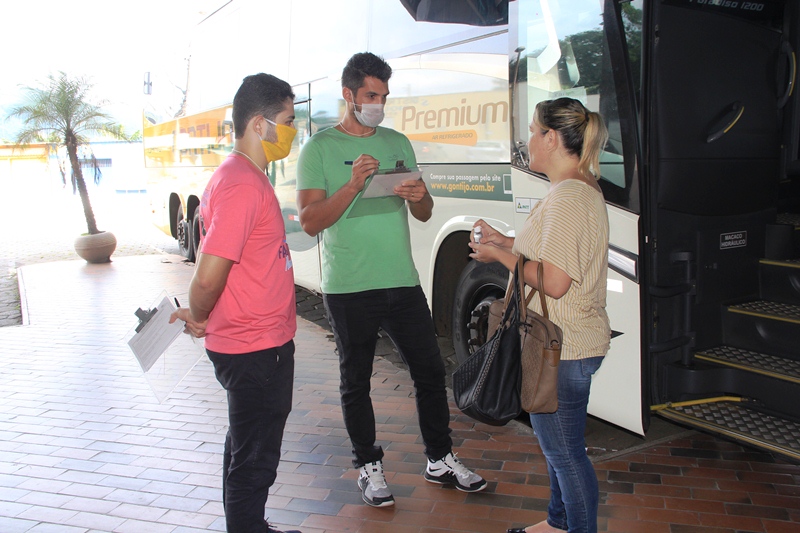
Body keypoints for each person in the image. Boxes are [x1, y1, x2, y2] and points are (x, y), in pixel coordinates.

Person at [296, 52, 486, 508]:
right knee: (355, 380)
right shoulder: (319, 148)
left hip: (401, 281)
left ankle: (439, 458)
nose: (379, 104)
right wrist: (352, 184)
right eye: (371, 95)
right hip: (349, 286)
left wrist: (421, 196)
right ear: (348, 95)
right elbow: (308, 221)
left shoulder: (397, 142)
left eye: (383, 96)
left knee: (429, 371)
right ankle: (368, 465)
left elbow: (424, 212)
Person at [469, 97, 610, 533]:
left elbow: (554, 281)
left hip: (562, 348)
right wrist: (507, 240)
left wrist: (496, 255)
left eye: (532, 130)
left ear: (551, 138)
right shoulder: (575, 188)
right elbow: (551, 250)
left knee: (565, 454)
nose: (527, 138)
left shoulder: (568, 197)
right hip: (567, 342)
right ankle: (557, 523)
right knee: (559, 450)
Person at [170, 73, 302, 533]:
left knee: (244, 446)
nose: (293, 131)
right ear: (260, 124)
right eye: (288, 121)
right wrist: (199, 314)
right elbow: (209, 272)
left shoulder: (238, 176)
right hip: (255, 349)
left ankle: (250, 526)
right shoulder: (244, 183)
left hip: (254, 344)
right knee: (255, 459)